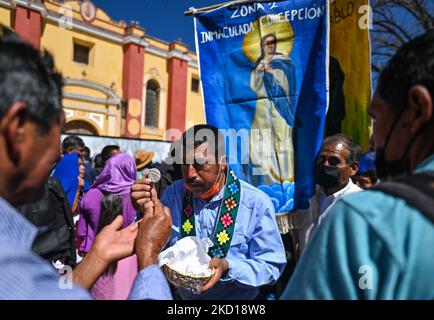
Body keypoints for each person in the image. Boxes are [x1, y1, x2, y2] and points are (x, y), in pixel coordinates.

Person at [0, 28, 172, 300]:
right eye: (54, 139)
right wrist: (149, 255)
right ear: (18, 128)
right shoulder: (15, 270)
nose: (57, 158)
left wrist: (97, 256)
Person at [281, 30, 434, 299]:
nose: (374, 142)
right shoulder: (305, 199)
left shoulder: (365, 217)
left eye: (377, 118)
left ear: (418, 109)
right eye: (322, 159)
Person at [131, 124, 286, 300]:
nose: (190, 174)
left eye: (200, 164)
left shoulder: (255, 203)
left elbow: (271, 266)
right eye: (184, 165)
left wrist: (228, 267)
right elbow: (154, 245)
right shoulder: (173, 194)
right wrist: (144, 211)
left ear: (222, 162)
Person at [288, 134, 362, 257]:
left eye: (334, 161)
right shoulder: (304, 196)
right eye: (322, 160)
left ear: (353, 168)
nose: (326, 165)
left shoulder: (360, 203)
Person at [248, 33, 296, 184]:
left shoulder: (283, 62)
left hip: (279, 110)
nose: (270, 46)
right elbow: (253, 86)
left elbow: (288, 85)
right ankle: (267, 181)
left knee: (282, 143)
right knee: (258, 145)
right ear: (262, 46)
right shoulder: (259, 64)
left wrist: (274, 74)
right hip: (262, 109)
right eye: (267, 44)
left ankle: (286, 180)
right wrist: (260, 72)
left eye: (272, 43)